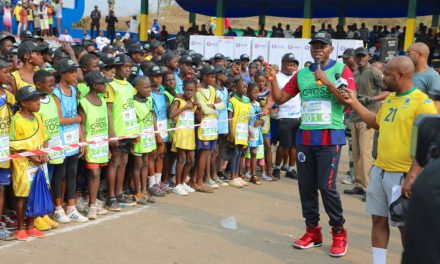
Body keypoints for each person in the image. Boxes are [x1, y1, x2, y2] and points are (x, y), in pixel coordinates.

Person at [339, 56, 437, 264]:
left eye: (387, 74)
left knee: (405, 226)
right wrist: (354, 103)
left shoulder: (423, 103)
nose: (383, 78)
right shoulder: (391, 98)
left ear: (401, 75)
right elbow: (376, 122)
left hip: (403, 176)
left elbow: (427, 144)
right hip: (380, 171)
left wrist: (411, 177)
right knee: (378, 220)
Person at [268, 31, 355, 257]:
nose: (318, 48)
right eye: (314, 45)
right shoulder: (302, 74)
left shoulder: (341, 70)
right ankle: (312, 232)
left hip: (330, 138)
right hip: (306, 138)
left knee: (326, 187)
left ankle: (338, 233)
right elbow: (280, 99)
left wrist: (327, 82)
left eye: (322, 45)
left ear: (330, 49)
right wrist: (271, 81)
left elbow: (348, 99)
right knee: (306, 187)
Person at [344, 47, 387, 200]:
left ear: (368, 57)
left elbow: (387, 91)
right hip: (354, 116)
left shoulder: (374, 72)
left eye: (363, 56)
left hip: (368, 117)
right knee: (356, 153)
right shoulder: (354, 73)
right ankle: (359, 184)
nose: (361, 59)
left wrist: (371, 99)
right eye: (358, 56)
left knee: (366, 154)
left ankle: (369, 188)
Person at [10, 85, 49, 241]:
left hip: (39, 163)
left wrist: (45, 153)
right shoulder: (16, 120)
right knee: (22, 196)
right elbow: (13, 143)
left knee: (35, 193)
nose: (38, 102)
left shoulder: (39, 117)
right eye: (34, 100)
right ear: (24, 103)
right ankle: (21, 227)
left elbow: (45, 138)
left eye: (39, 99)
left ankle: (31, 226)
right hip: (23, 165)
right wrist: (30, 155)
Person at [52, 59, 88, 224]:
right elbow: (59, 119)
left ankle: (71, 207)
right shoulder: (56, 93)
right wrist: (77, 118)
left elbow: (76, 119)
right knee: (60, 174)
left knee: (72, 173)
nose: (76, 75)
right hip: (60, 139)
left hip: (74, 138)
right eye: (72, 72)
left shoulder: (74, 91)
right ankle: (58, 208)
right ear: (63, 74)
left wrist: (82, 139)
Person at [104, 54, 140, 211]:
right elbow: (109, 111)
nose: (128, 69)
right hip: (117, 131)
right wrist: (112, 134)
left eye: (129, 66)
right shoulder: (111, 85)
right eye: (125, 66)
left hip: (129, 130)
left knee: (124, 162)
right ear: (116, 67)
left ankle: (119, 193)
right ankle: (110, 197)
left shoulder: (129, 86)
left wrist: (135, 131)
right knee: (115, 163)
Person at [78, 71, 111, 220]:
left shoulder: (102, 100)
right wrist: (83, 143)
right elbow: (83, 125)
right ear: (94, 85)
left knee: (98, 174)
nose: (105, 86)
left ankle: (93, 201)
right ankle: (91, 206)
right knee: (93, 174)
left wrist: (108, 146)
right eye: (102, 83)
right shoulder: (83, 102)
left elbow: (104, 124)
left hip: (102, 143)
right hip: (91, 144)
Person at [34, 70, 63, 231]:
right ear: (38, 85)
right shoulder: (35, 103)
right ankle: (36, 215)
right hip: (41, 148)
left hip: (55, 146)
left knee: (48, 181)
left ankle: (44, 213)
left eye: (54, 84)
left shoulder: (51, 99)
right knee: (40, 182)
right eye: (50, 84)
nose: (53, 87)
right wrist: (43, 149)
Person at [193, 65, 225, 192]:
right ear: (204, 77)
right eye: (211, 77)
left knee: (208, 153)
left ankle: (194, 180)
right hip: (204, 126)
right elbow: (204, 109)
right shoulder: (198, 91)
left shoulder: (212, 89)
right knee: (203, 153)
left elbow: (223, 104)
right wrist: (215, 106)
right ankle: (199, 182)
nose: (214, 79)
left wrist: (213, 105)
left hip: (212, 125)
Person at [271, 53, 301, 180]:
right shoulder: (277, 77)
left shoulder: (297, 77)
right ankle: (277, 167)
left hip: (298, 116)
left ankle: (290, 168)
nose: (291, 67)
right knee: (283, 145)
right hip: (284, 115)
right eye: (289, 64)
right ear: (283, 64)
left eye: (293, 65)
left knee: (294, 145)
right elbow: (273, 95)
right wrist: (272, 107)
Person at [169, 79, 199, 196]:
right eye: (187, 90)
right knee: (181, 159)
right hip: (181, 132)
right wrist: (186, 107)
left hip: (190, 133)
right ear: (183, 89)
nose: (189, 92)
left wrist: (199, 107)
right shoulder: (178, 100)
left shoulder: (193, 101)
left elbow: (199, 119)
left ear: (195, 91)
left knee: (191, 159)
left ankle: (182, 182)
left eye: (192, 90)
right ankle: (177, 184)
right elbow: (172, 115)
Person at [132, 76, 157, 204]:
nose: (149, 89)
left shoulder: (149, 100)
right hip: (139, 138)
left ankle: (144, 190)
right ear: (137, 89)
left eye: (150, 86)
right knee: (138, 165)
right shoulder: (133, 103)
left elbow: (152, 116)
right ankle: (138, 192)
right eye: (146, 87)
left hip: (149, 137)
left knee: (146, 163)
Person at [0, 59, 16, 241]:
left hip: (4, 151)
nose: (8, 76)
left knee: (2, 189)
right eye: (5, 72)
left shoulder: (9, 97)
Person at [147, 65, 167, 197]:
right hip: (154, 128)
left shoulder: (162, 92)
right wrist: (156, 133)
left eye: (160, 76)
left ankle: (158, 182)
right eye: (155, 76)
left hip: (164, 126)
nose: (158, 78)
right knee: (152, 156)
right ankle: (151, 184)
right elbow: (152, 114)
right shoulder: (149, 94)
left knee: (161, 155)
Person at [227, 78, 251, 188]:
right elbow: (229, 118)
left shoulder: (247, 101)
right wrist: (231, 133)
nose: (245, 89)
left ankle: (237, 176)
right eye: (243, 87)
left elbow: (247, 118)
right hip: (235, 132)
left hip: (243, 131)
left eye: (246, 87)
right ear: (236, 88)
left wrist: (248, 131)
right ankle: (232, 176)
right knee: (235, 154)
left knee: (240, 153)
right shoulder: (232, 101)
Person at [407, 42, 440, 111]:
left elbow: (436, 105)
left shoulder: (432, 76)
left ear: (420, 54)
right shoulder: (407, 73)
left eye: (409, 54)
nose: (406, 56)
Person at [247, 82, 264, 185]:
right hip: (247, 130)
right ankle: (239, 173)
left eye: (257, 93)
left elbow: (262, 119)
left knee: (254, 152)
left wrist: (260, 121)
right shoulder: (246, 104)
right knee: (242, 153)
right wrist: (248, 131)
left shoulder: (257, 104)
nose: (256, 95)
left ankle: (253, 174)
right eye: (254, 93)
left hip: (256, 131)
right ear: (248, 93)